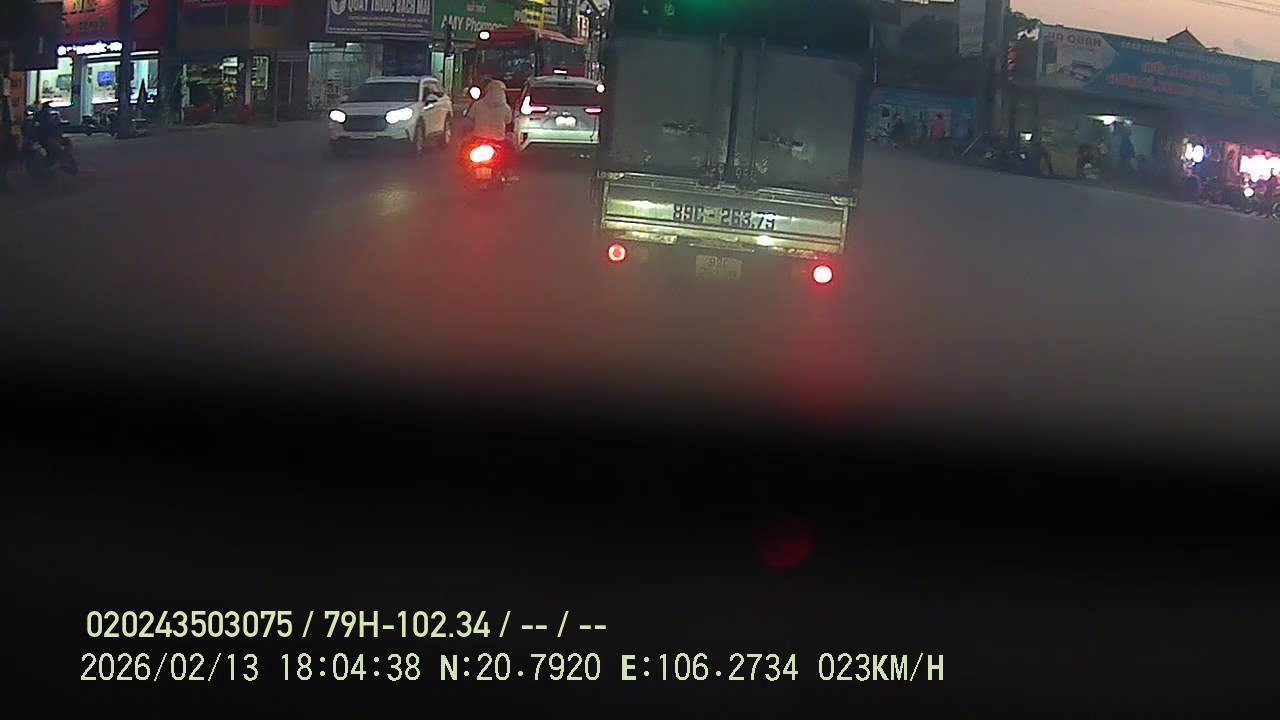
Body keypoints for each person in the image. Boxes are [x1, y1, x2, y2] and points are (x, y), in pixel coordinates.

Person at [468, 78, 517, 181]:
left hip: (478, 138)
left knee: (465, 149)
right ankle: (508, 174)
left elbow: (469, 119)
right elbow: (508, 122)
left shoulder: (478, 104)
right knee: (510, 151)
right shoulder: (505, 108)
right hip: (498, 140)